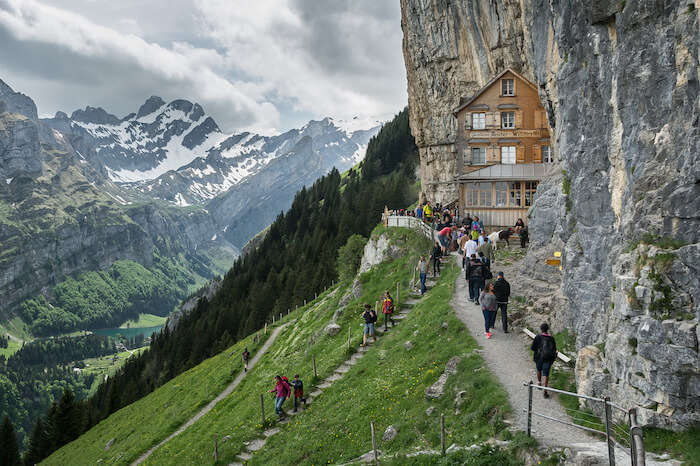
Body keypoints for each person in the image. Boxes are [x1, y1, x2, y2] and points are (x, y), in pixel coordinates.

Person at [531, 323, 557, 397]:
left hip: (539, 358)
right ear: (547, 329)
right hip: (548, 358)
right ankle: (545, 390)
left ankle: (539, 382)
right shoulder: (552, 338)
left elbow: (532, 348)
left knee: (539, 370)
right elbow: (554, 350)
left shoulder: (538, 337)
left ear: (541, 329)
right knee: (546, 374)